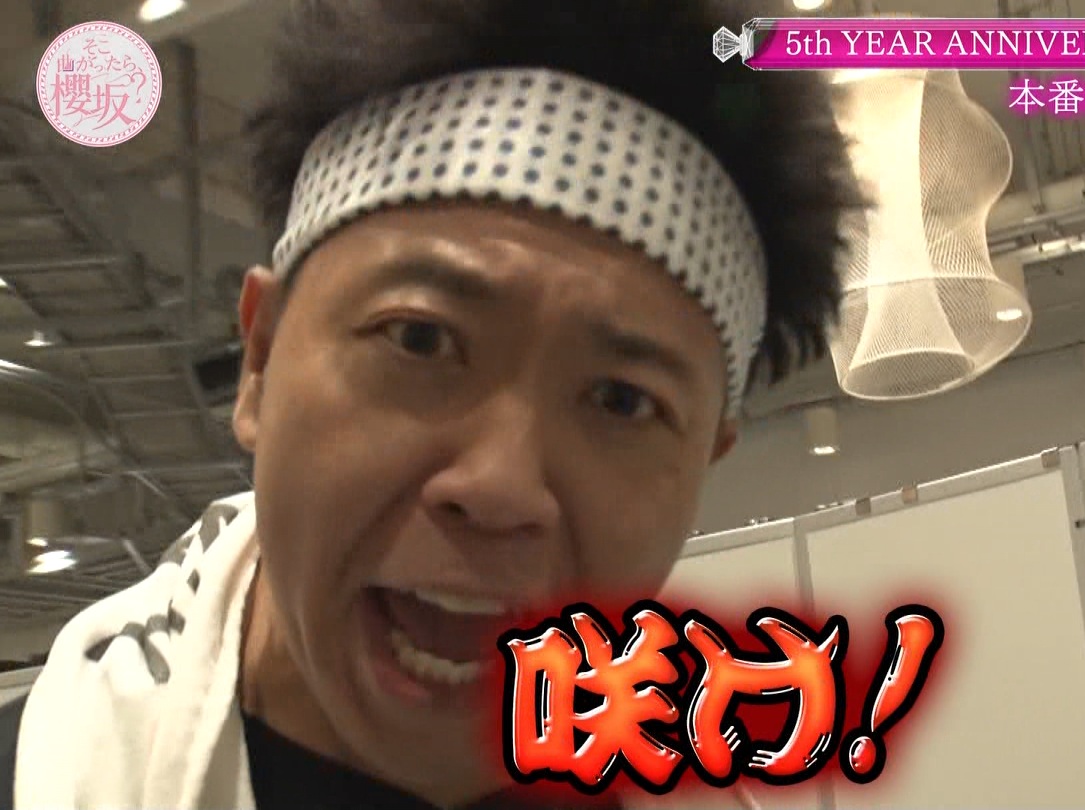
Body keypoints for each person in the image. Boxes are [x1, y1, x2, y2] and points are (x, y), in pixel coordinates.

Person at [3, 1, 865, 808]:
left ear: (703, 464)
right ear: (260, 360)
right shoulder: (50, 765)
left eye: (621, 399)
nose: (500, 488)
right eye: (419, 339)